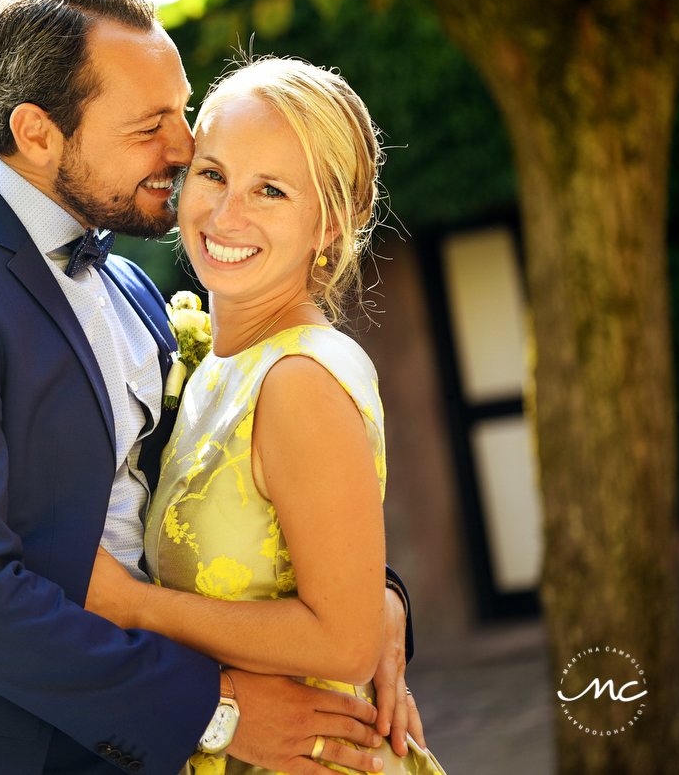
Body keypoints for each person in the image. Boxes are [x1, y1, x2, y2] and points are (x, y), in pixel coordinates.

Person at [0, 0, 416, 775]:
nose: (184, 149)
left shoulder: (135, 289)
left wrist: (373, 603)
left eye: (182, 114)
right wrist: (217, 712)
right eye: (151, 127)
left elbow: (235, 488)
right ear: (37, 132)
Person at [84, 57, 445, 773]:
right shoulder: (211, 365)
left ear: (333, 227)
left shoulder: (299, 381)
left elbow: (343, 642)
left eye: (270, 191)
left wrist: (130, 605)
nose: (226, 215)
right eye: (213, 174)